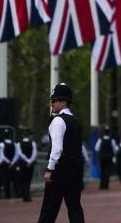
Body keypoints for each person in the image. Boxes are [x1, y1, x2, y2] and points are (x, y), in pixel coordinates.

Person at [38, 83, 85, 223]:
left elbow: (57, 149)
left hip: (59, 170)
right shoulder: (76, 121)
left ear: (64, 102)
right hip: (75, 169)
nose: (51, 103)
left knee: (49, 208)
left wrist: (49, 169)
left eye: (54, 100)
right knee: (75, 208)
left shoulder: (58, 121)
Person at [16, 129, 38, 202]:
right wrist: (30, 161)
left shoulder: (19, 143)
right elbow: (34, 153)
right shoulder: (33, 143)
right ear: (29, 135)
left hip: (22, 163)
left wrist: (26, 160)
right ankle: (27, 195)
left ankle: (25, 195)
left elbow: (20, 153)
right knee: (28, 179)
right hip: (30, 164)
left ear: (23, 135)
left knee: (22, 179)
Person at [0, 128, 19, 199]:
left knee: (6, 180)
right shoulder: (14, 144)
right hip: (13, 165)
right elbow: (17, 154)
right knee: (14, 180)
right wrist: (12, 162)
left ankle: (7, 195)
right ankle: (17, 194)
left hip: (5, 165)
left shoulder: (1, 144)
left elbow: (2, 155)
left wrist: (8, 162)